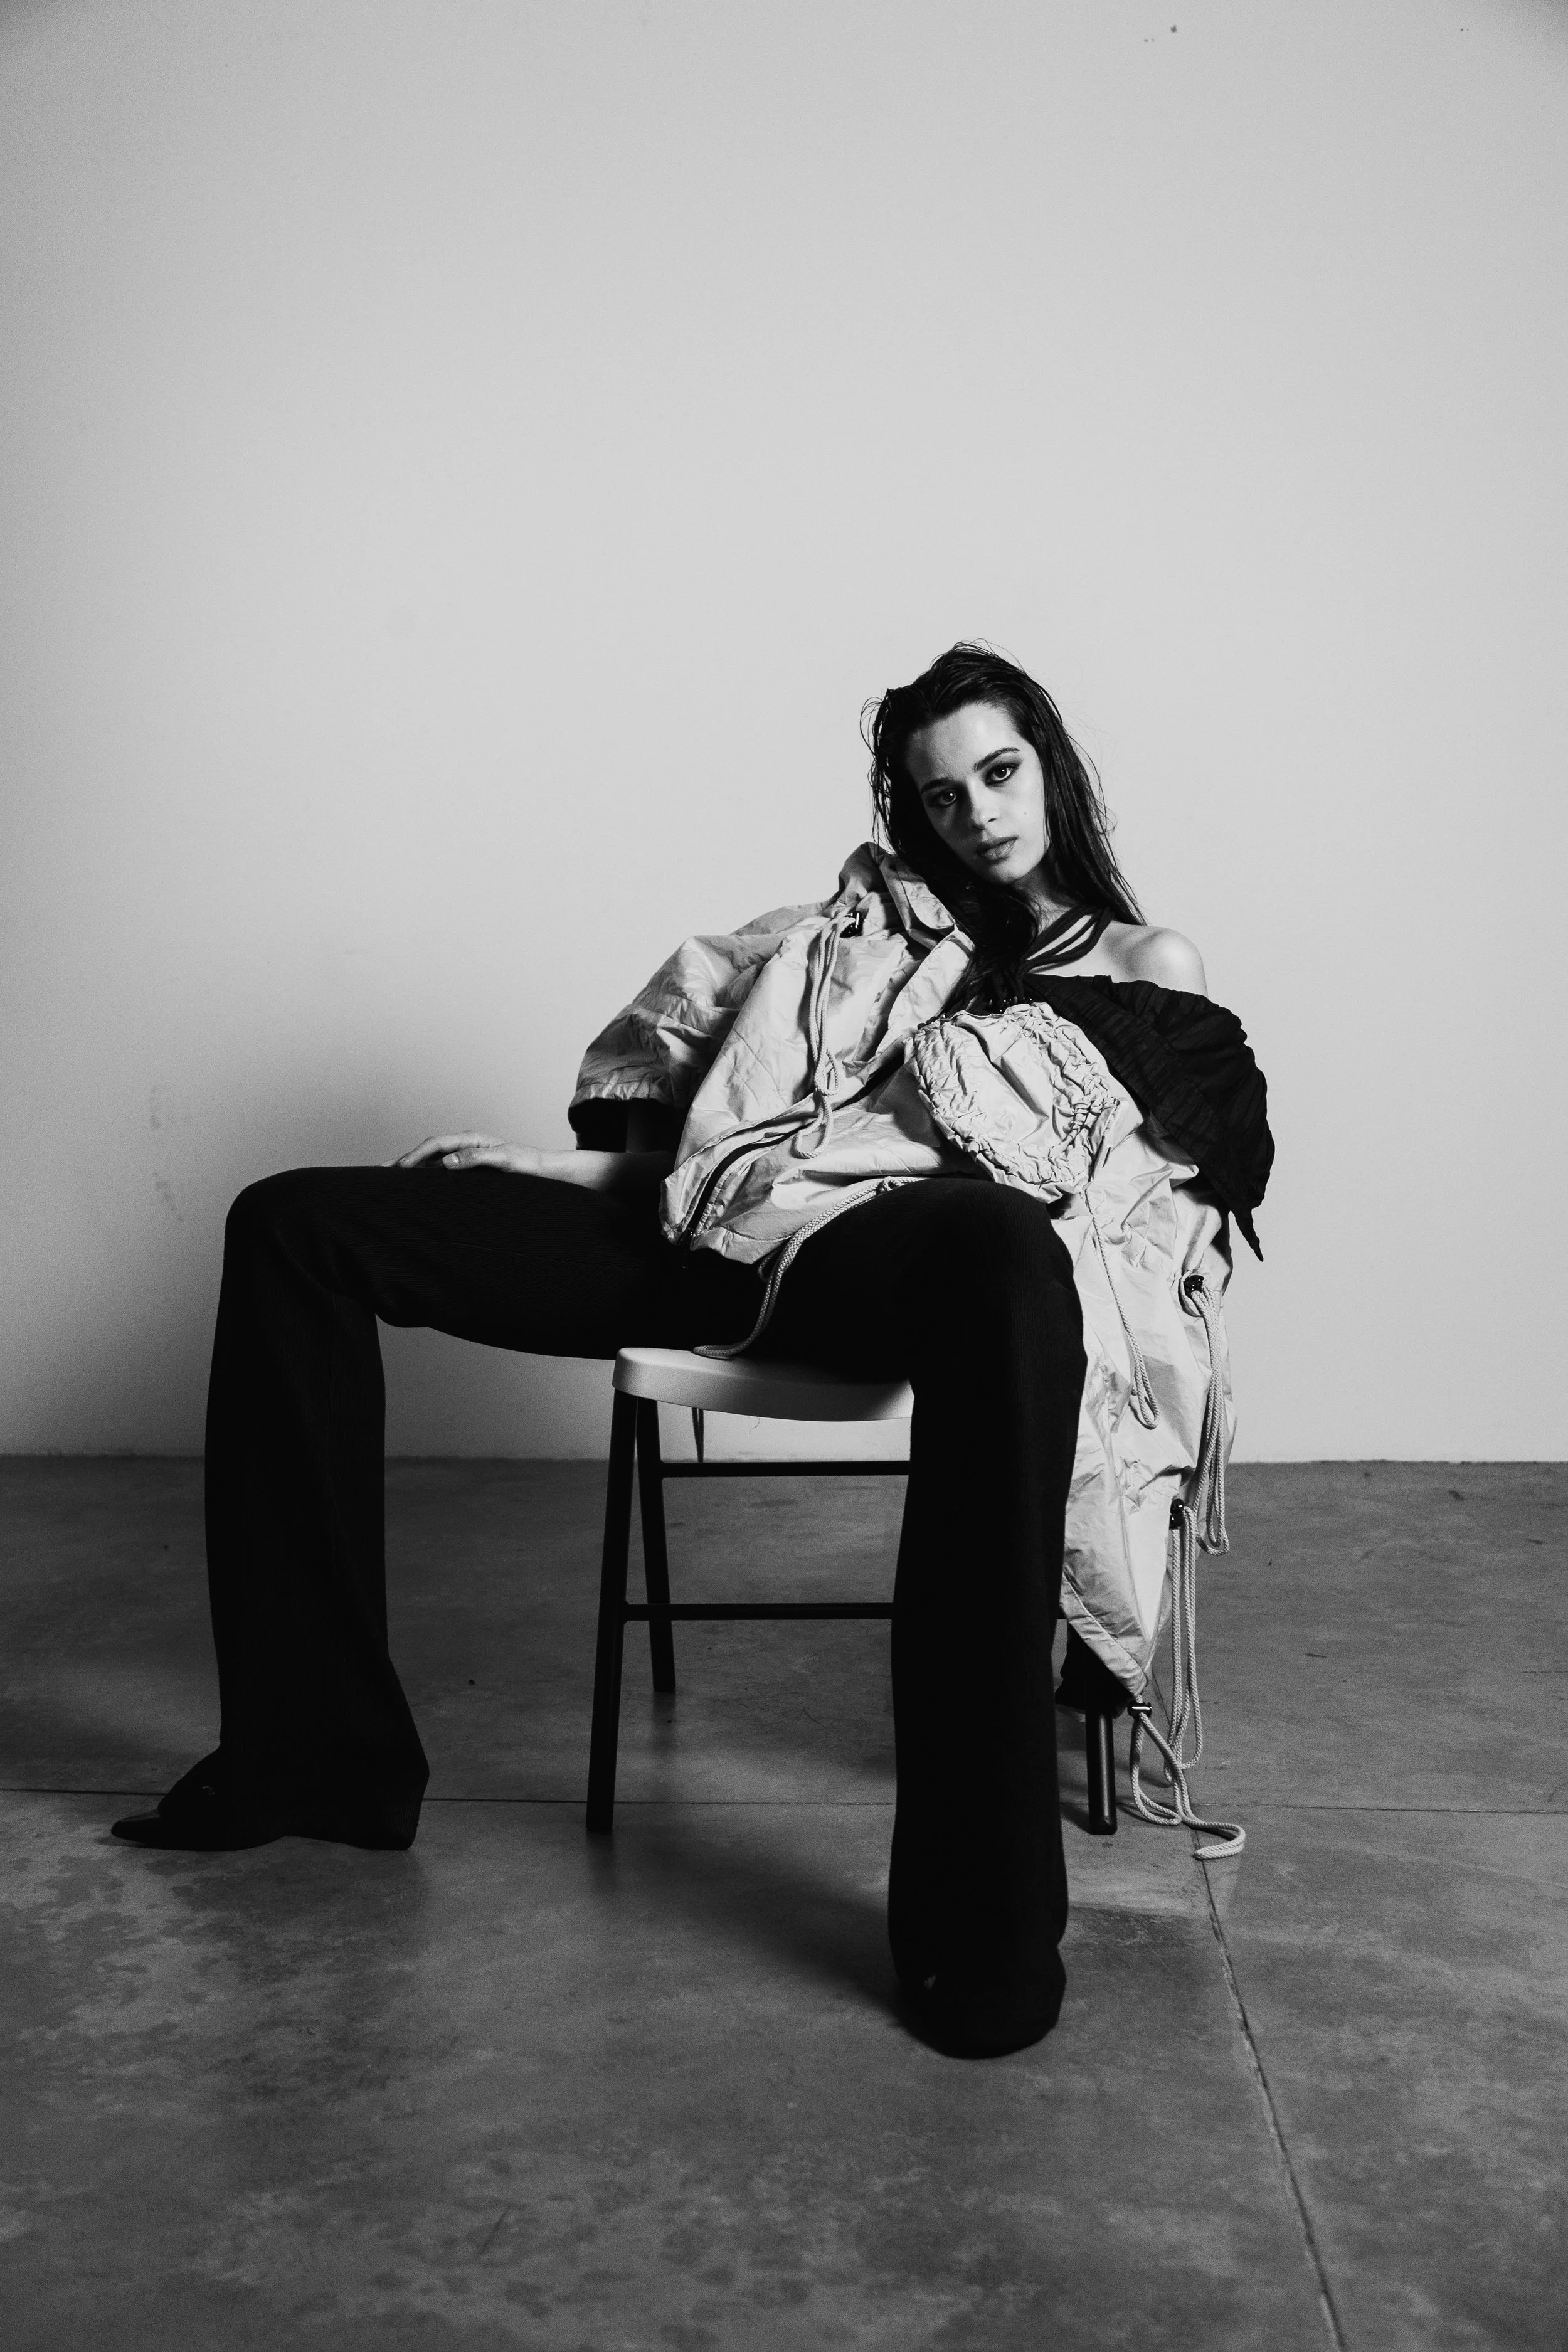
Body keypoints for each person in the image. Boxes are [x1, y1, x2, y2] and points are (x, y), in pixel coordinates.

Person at [112, 643, 1269, 2062]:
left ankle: (980, 1933)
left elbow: (1141, 1231)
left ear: (1051, 766)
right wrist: (539, 1167)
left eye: (1000, 771)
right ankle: (312, 1755)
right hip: (722, 1237)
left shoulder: (1147, 969)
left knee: (1008, 1257)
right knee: (289, 1222)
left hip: (905, 1265)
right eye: (942, 792)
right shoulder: (872, 939)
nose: (977, 812)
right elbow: (737, 1149)